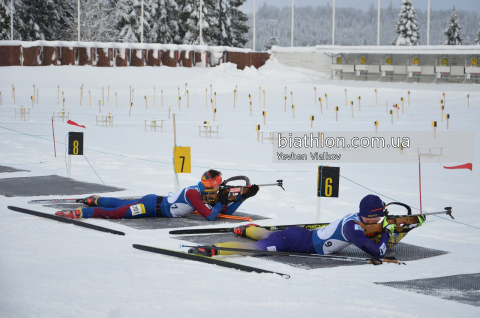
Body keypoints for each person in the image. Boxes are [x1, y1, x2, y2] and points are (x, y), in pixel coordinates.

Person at [189, 194, 425, 261]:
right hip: (296, 243)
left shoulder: (358, 218)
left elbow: (379, 224)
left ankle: (245, 229)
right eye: (379, 219)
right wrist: (386, 234)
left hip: (301, 234)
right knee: (257, 248)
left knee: (270, 234)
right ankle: (213, 249)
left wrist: (407, 222)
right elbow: (378, 253)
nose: (381, 222)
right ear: (369, 217)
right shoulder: (353, 229)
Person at [55, 169, 259, 221]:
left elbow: (223, 209)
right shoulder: (193, 194)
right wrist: (221, 202)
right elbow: (212, 215)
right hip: (151, 207)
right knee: (116, 212)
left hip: (154, 202)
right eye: (217, 188)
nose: (218, 191)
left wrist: (243, 197)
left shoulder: (202, 192)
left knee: (118, 202)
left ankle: (95, 199)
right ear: (210, 187)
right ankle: (77, 213)